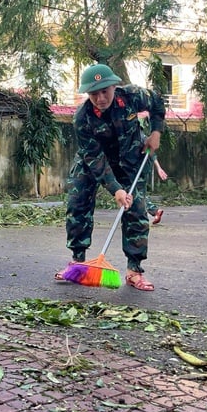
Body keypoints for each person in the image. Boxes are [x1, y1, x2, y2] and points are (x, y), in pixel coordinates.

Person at [57, 64, 166, 291]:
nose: (100, 98)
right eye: (94, 93)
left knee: (135, 209)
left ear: (114, 86)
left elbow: (157, 103)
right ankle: (78, 263)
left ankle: (134, 271)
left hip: (130, 159)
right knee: (77, 204)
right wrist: (115, 188)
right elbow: (94, 158)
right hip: (93, 161)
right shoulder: (82, 118)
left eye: (105, 91)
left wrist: (155, 133)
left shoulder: (133, 96)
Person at [143, 152, 168, 225]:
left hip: (139, 170)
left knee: (136, 193)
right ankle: (154, 210)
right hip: (140, 169)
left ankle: (154, 210)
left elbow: (150, 151)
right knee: (139, 193)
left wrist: (159, 168)